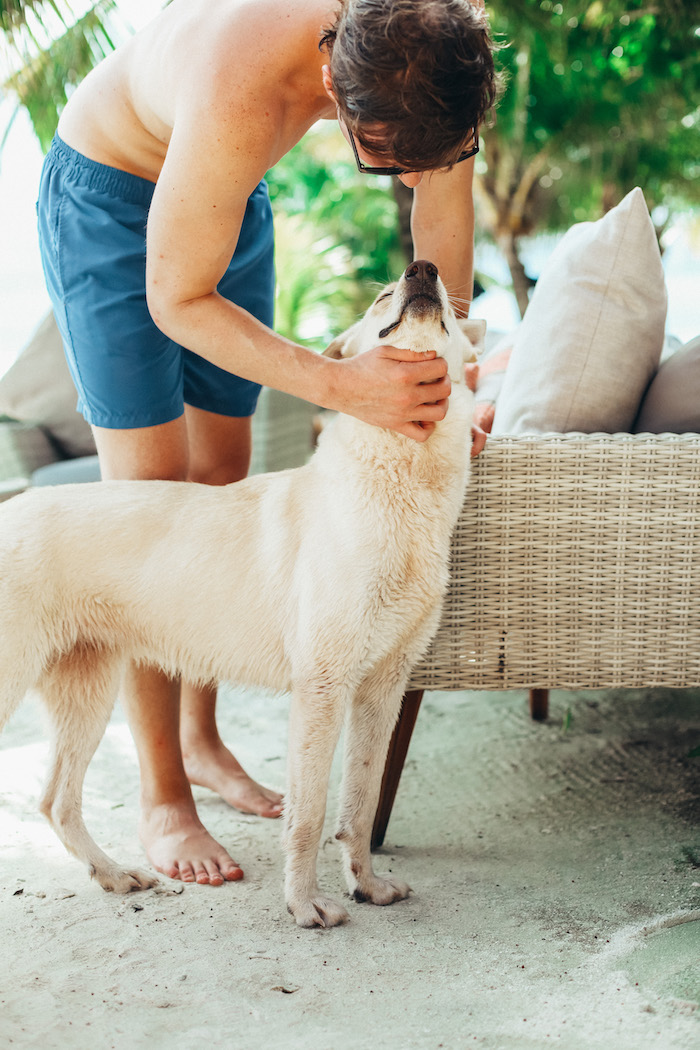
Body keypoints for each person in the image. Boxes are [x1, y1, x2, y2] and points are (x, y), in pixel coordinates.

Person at [36, 0, 497, 887]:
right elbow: (178, 297)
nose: (407, 177)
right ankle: (164, 796)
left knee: (221, 474)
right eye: (388, 165)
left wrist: (451, 383)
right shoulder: (242, 81)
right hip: (113, 194)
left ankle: (202, 742)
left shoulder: (432, 61)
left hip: (227, 190)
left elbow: (442, 261)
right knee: (150, 498)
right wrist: (343, 386)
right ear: (332, 85)